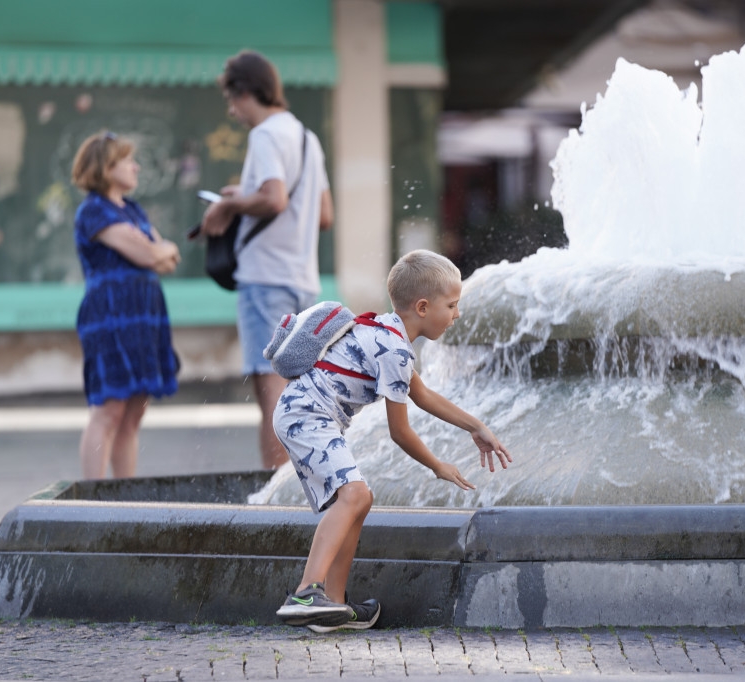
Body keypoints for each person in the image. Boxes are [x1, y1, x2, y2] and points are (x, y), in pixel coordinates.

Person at [272, 249, 513, 633]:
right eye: (451, 305)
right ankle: (306, 593)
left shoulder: (386, 331)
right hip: (307, 415)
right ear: (422, 307)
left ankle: (332, 606)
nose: (457, 315)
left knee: (360, 497)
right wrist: (438, 465)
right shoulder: (396, 350)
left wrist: (475, 426)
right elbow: (400, 432)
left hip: (303, 412)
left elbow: (423, 394)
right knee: (353, 495)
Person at [201, 50, 334, 471]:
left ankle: (277, 493)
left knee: (271, 392)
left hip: (265, 278)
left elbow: (274, 198)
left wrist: (229, 207)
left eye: (231, 99)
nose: (231, 110)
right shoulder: (307, 138)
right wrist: (246, 197)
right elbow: (325, 215)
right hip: (302, 280)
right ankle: (310, 484)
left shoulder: (264, 135)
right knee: (299, 392)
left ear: (245, 91)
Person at [70, 131, 182, 479]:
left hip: (143, 318)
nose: (136, 167)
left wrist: (154, 251)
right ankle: (93, 502)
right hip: (110, 317)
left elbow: (168, 259)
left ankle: (124, 496)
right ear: (106, 166)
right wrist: (153, 249)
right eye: (126, 160)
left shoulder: (131, 210)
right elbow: (151, 253)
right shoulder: (93, 210)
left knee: (134, 413)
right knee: (109, 409)